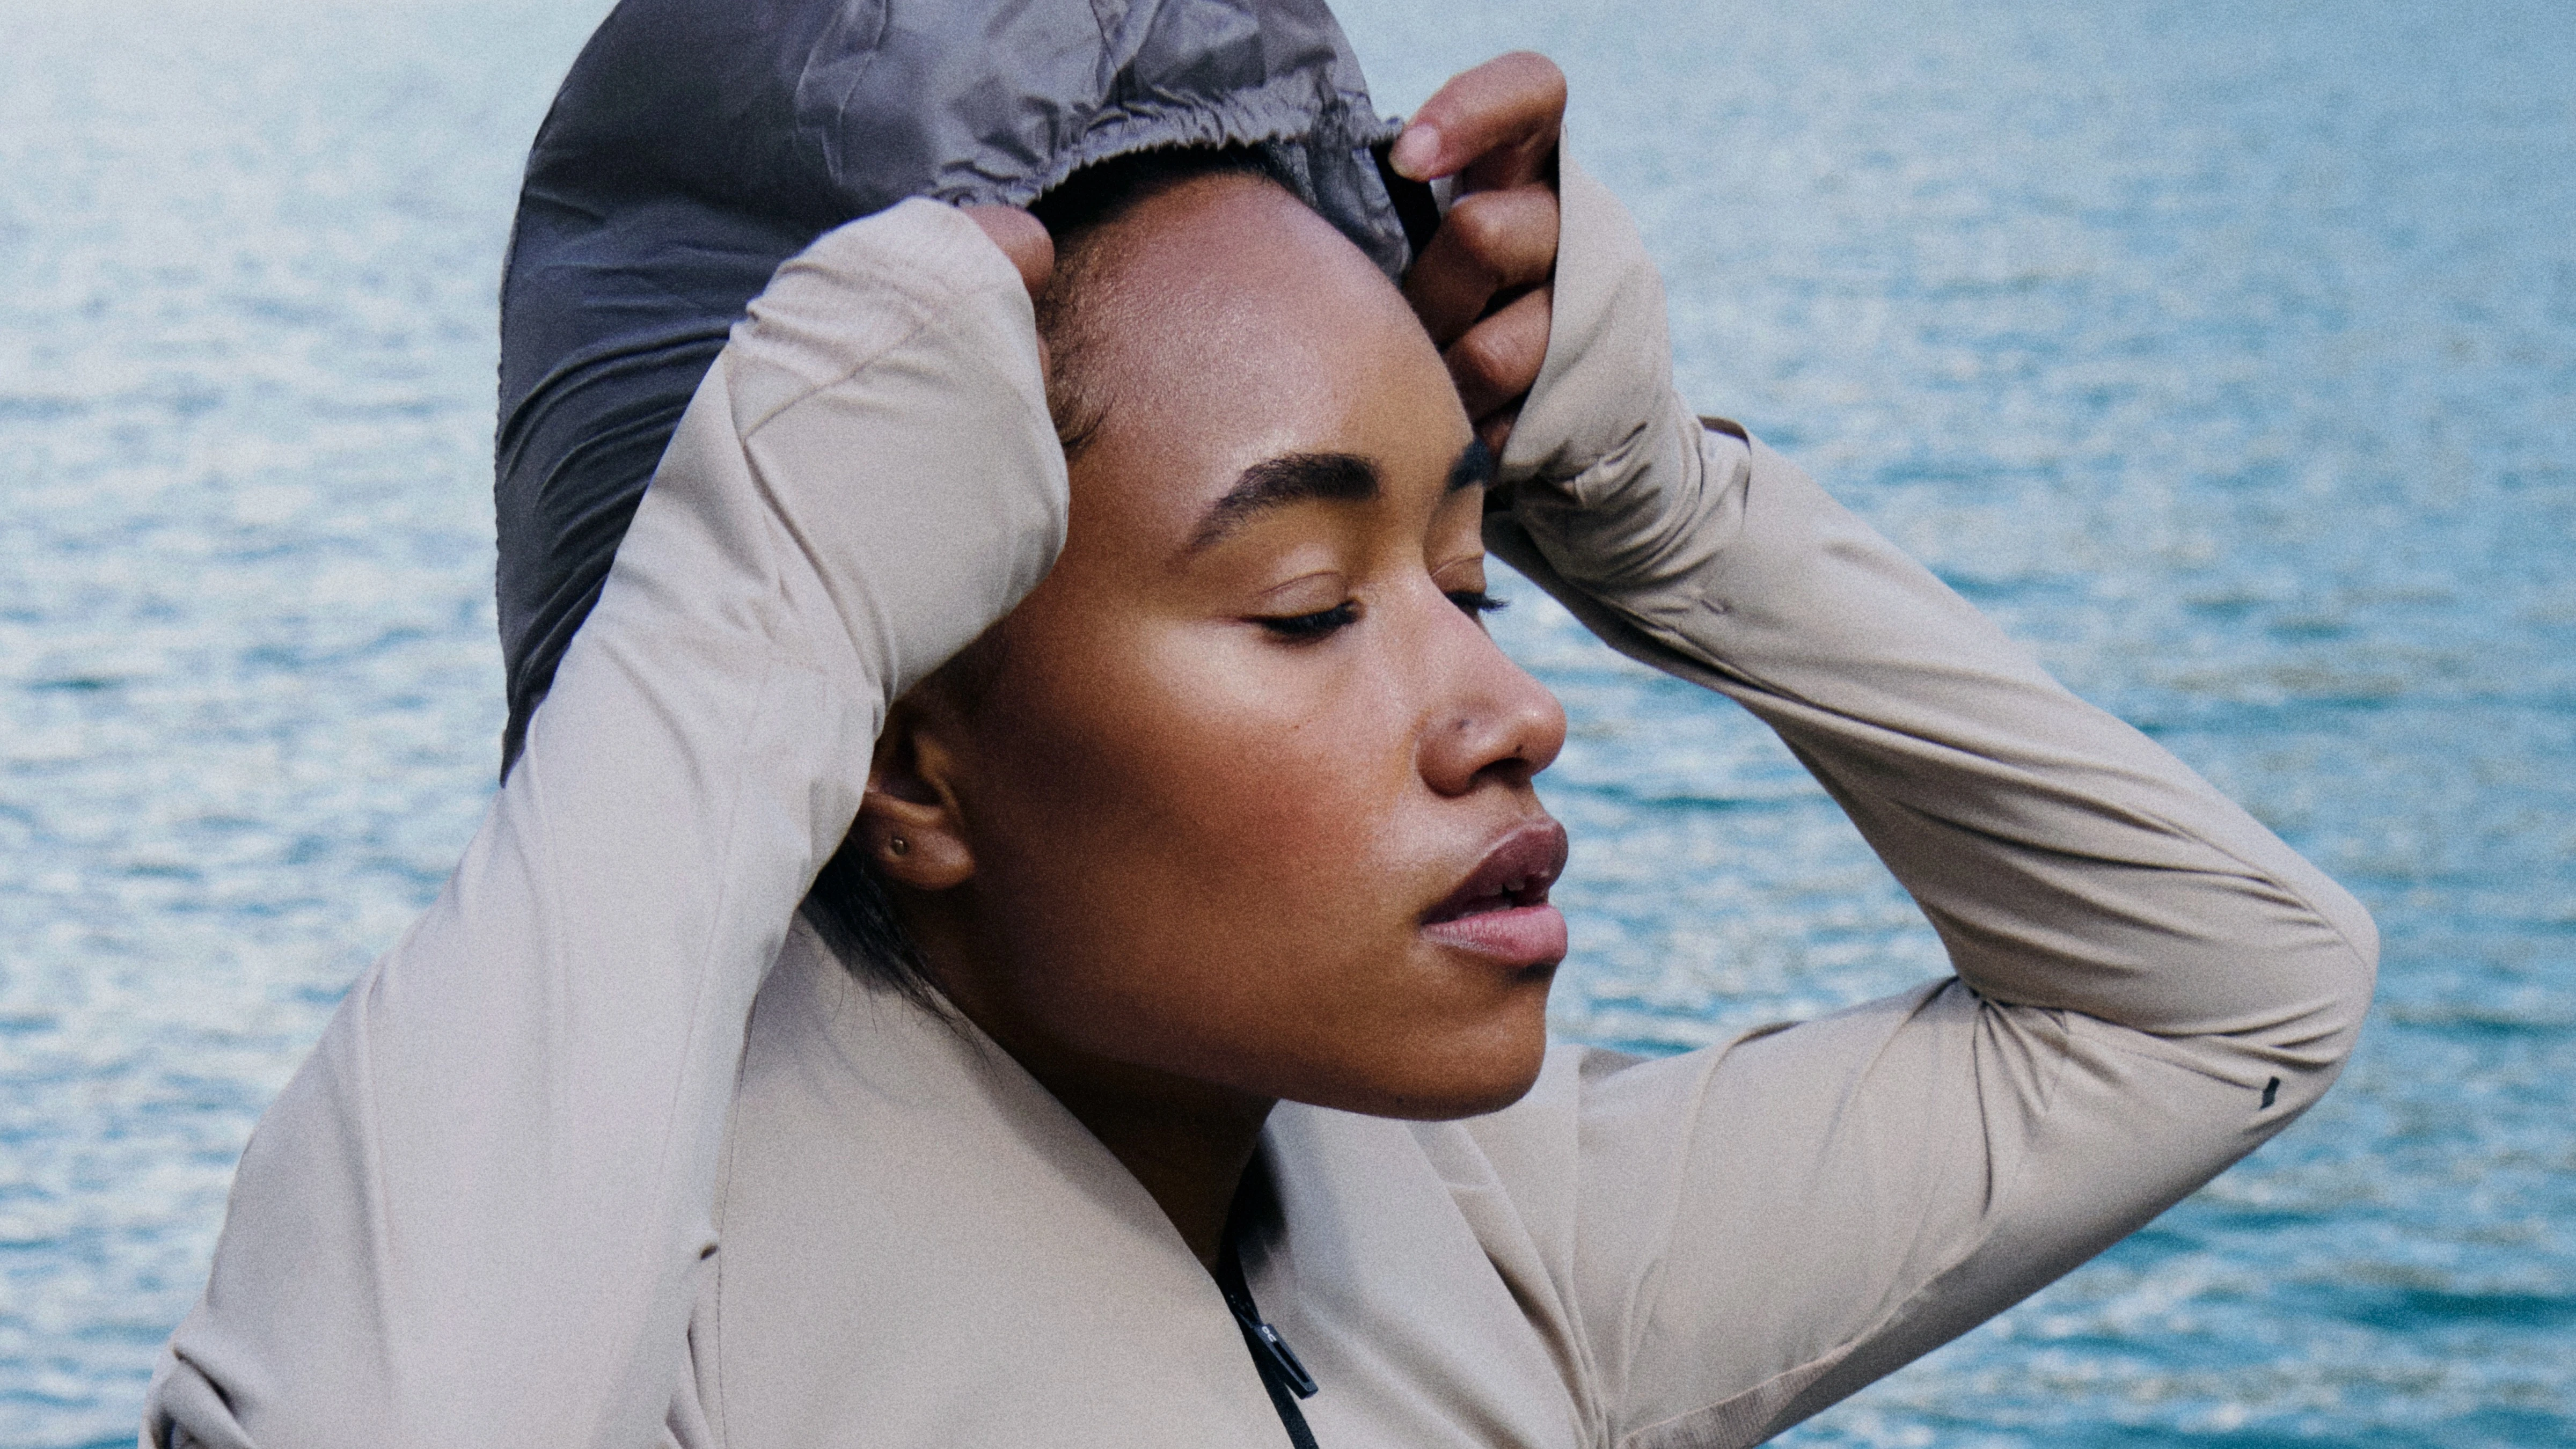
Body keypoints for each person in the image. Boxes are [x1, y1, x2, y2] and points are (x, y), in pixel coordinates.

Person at [144, 18, 2377, 1449]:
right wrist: (744, 632)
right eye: (1312, 606)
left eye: (1470, 573)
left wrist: (1668, 507)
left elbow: (2226, 999)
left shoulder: (1482, 1229)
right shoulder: (652, 1339)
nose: (1509, 711)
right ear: (904, 759)